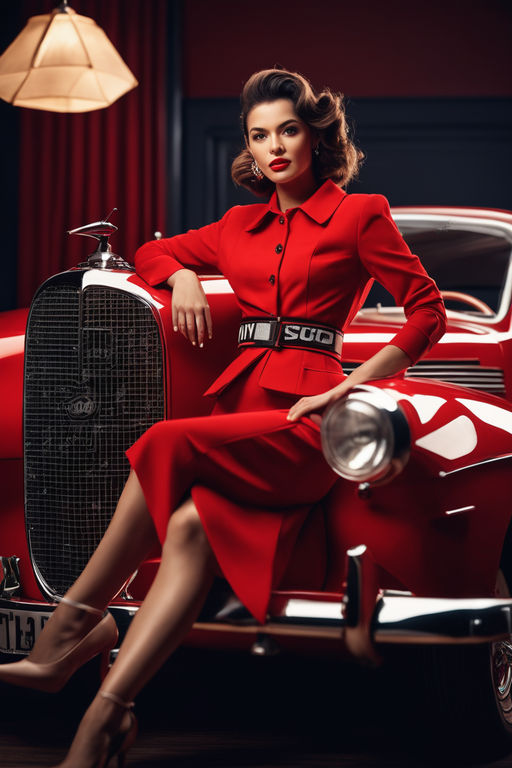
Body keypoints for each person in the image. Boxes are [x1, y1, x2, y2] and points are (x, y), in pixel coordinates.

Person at [0, 68, 446, 766]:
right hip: (241, 410)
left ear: (315, 136)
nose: (275, 147)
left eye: (289, 131)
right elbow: (154, 251)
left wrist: (347, 389)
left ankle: (70, 632)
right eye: (260, 134)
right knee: (188, 530)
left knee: (162, 440)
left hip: (304, 422)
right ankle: (106, 718)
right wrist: (179, 276)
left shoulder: (361, 214)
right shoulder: (239, 224)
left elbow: (428, 311)